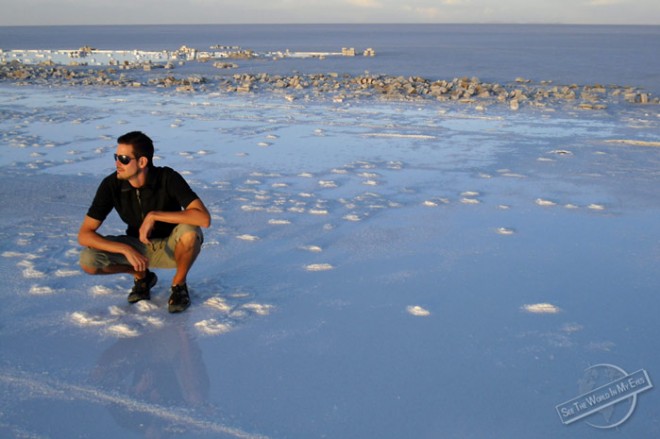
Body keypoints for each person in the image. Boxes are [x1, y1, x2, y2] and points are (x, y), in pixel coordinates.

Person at [78, 131, 211, 313]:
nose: (117, 164)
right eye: (116, 157)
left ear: (142, 162)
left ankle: (179, 286)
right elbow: (84, 234)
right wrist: (125, 249)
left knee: (190, 229)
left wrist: (154, 215)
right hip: (137, 247)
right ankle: (141, 277)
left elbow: (203, 218)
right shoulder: (111, 185)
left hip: (171, 246)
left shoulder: (168, 178)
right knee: (88, 260)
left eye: (124, 159)